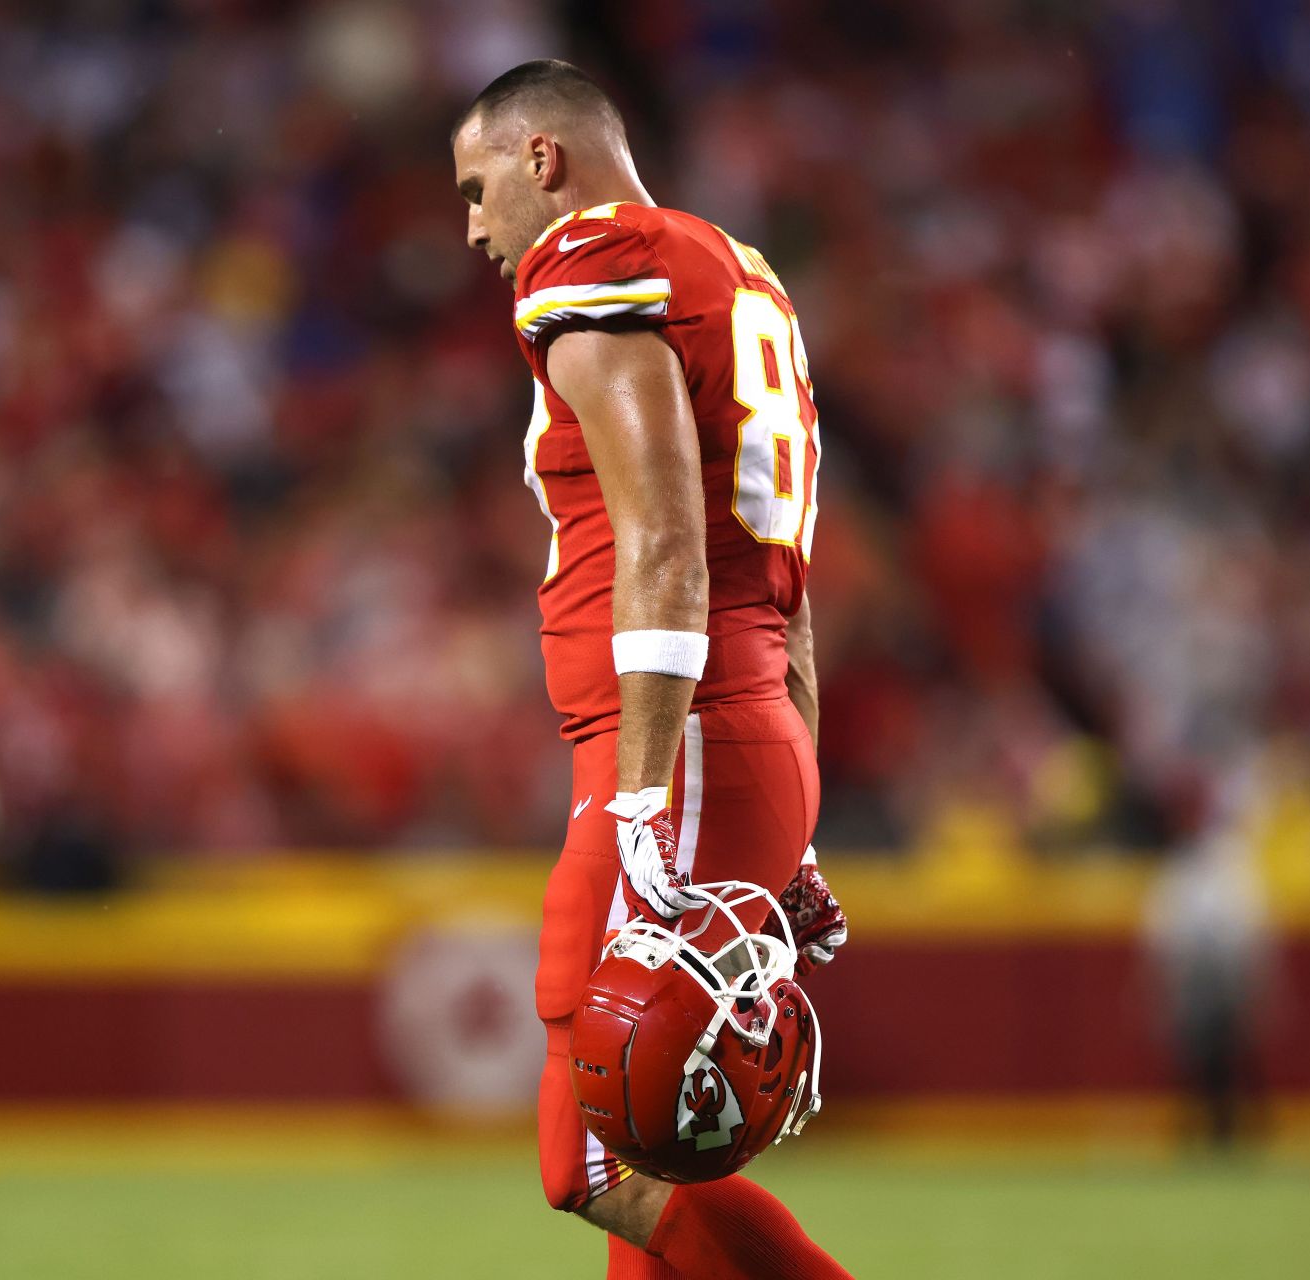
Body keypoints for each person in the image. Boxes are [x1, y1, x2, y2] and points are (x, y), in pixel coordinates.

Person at [451, 61, 850, 1278]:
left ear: (542, 159)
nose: (472, 228)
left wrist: (641, 795)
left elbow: (670, 538)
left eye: (476, 188)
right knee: (669, 1143)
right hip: (746, 729)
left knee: (601, 1153)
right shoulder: (740, 271)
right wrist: (793, 812)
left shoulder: (592, 261)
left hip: (671, 749)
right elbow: (784, 589)